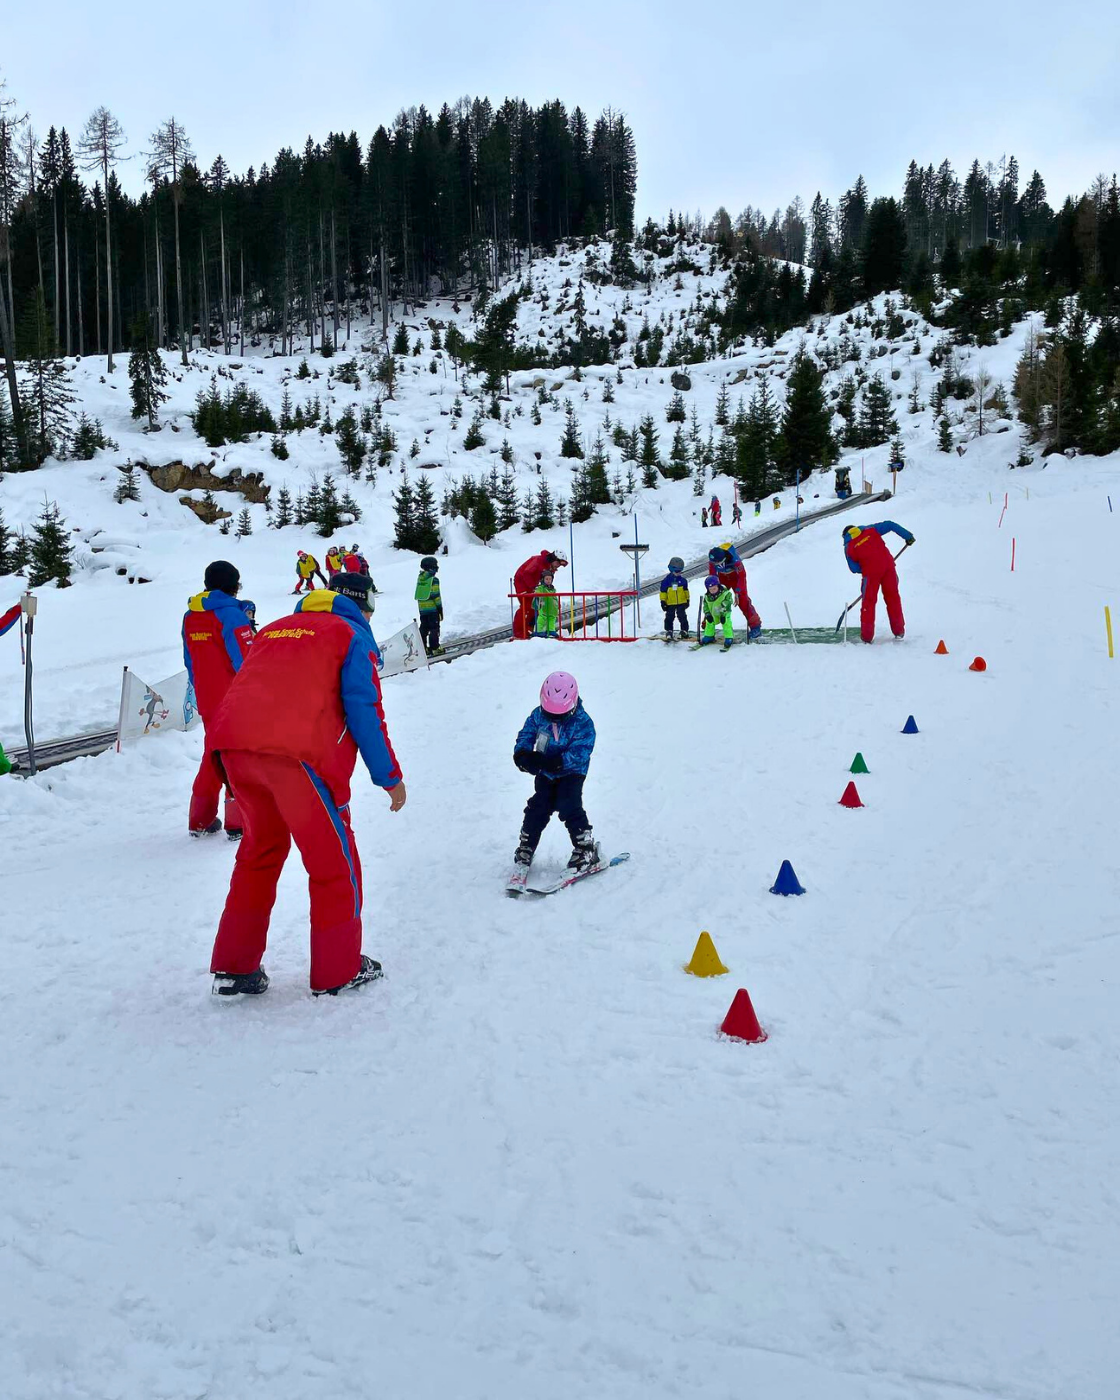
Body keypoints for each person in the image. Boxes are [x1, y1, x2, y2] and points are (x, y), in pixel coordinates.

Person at [206, 571, 406, 997]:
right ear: (362, 603)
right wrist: (389, 777)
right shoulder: (351, 634)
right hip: (296, 758)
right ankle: (340, 969)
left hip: (235, 750)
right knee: (334, 864)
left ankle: (234, 965)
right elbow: (364, 710)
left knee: (258, 854)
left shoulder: (276, 629)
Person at [182, 561, 256, 839]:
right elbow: (246, 662)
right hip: (235, 699)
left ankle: (200, 818)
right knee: (237, 756)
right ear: (233, 585)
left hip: (207, 697)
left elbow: (189, 661)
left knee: (213, 754)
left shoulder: (190, 616)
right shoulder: (233, 616)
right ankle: (238, 823)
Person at [512, 671, 599, 874]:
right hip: (546, 771)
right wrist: (523, 755)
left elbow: (582, 751)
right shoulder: (537, 716)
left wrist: (558, 762)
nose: (555, 719)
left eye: (560, 715)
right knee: (538, 806)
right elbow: (526, 734)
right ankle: (526, 845)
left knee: (569, 804)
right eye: (550, 714)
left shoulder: (583, 723)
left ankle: (586, 848)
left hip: (572, 772)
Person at [842, 521, 915, 643]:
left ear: (845, 536)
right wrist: (908, 536)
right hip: (888, 566)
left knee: (868, 603)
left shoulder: (849, 546)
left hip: (871, 574)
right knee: (893, 598)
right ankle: (899, 631)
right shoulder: (870, 529)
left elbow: (854, 569)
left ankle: (866, 637)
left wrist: (867, 565)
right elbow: (890, 524)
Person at [707, 543, 762, 638]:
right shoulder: (713, 559)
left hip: (736, 577)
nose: (714, 565)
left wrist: (737, 591)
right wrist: (714, 587)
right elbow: (713, 574)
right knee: (716, 599)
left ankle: (755, 627)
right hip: (722, 577)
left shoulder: (735, 561)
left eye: (717, 563)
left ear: (723, 559)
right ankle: (709, 625)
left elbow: (742, 576)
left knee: (743, 601)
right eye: (713, 563)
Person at [512, 548, 568, 639]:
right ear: (554, 559)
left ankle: (530, 629)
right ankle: (519, 632)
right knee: (527, 606)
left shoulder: (551, 568)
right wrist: (534, 587)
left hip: (534, 586)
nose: (558, 567)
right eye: (558, 563)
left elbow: (546, 580)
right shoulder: (538, 561)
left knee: (537, 606)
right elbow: (526, 573)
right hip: (522, 582)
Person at [415, 555, 443, 655]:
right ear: (431, 568)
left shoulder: (420, 579)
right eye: (435, 567)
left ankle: (423, 648)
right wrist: (440, 608)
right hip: (432, 610)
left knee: (424, 628)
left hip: (422, 610)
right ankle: (434, 647)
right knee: (434, 628)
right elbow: (436, 595)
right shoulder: (433, 580)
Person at [699, 575, 736, 650]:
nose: (712, 591)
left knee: (726, 623)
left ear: (718, 586)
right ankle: (709, 636)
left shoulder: (726, 594)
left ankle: (729, 637)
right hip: (712, 613)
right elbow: (705, 605)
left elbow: (728, 602)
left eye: (714, 588)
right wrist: (707, 614)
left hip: (724, 612)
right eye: (710, 589)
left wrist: (723, 614)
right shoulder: (707, 597)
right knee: (709, 623)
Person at [659, 556, 691, 640]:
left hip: (681, 602)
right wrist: (663, 601)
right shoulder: (666, 581)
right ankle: (669, 630)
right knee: (669, 616)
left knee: (682, 616)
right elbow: (663, 592)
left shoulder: (683, 581)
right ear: (671, 569)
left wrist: (687, 600)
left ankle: (684, 630)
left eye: (680, 571)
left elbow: (686, 591)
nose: (678, 573)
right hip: (670, 603)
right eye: (677, 571)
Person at [533, 571, 560, 638]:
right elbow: (537, 592)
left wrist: (557, 604)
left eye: (550, 579)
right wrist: (537, 593)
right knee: (542, 619)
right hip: (544, 605)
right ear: (543, 579)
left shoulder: (553, 589)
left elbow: (555, 598)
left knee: (552, 619)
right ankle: (538, 631)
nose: (548, 581)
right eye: (546, 579)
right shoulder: (541, 588)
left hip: (552, 608)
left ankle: (550, 630)